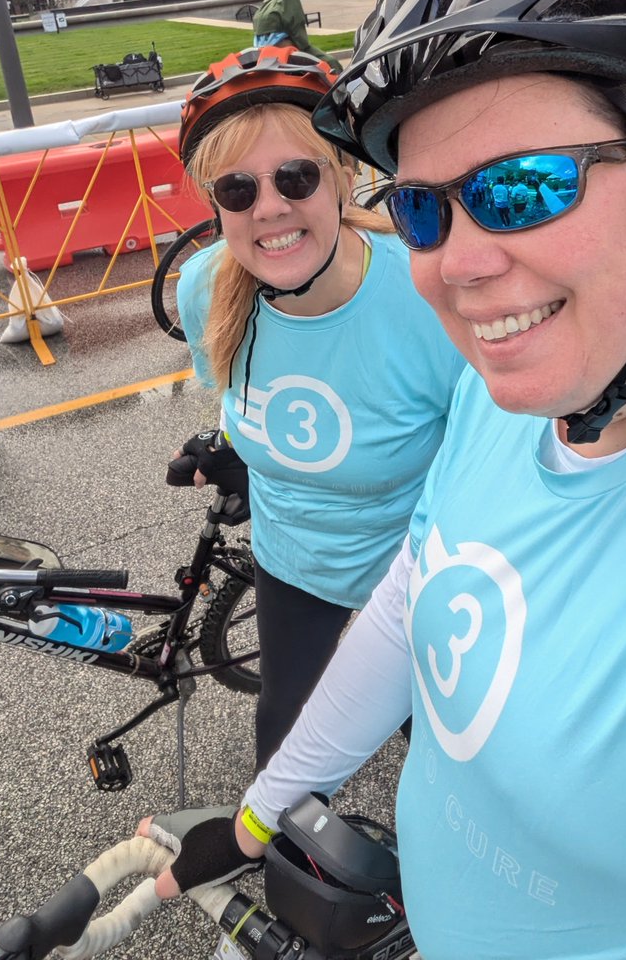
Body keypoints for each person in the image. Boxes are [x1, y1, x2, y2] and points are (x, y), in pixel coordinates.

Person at [141, 0, 626, 959]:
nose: (458, 267)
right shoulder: (507, 391)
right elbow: (416, 594)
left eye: (521, 188)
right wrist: (258, 813)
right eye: (422, 210)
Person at [171, 44, 465, 769]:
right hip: (294, 561)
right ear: (215, 205)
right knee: (285, 743)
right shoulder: (204, 288)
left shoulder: (426, 296)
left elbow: (494, 465)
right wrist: (234, 455)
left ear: (342, 178)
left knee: (439, 753)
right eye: (236, 190)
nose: (268, 208)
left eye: (296, 176)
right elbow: (248, 408)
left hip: (419, 570)